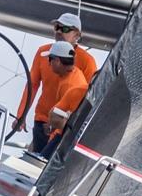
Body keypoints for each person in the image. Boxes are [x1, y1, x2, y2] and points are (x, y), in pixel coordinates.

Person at [15, 13, 98, 153]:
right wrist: (21, 115)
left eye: (65, 29)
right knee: (33, 162)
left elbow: (88, 100)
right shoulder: (43, 52)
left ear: (77, 35)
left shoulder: (87, 62)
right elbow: (32, 85)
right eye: (57, 27)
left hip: (63, 127)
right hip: (42, 120)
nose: (59, 31)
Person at [36, 41, 89, 158]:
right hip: (65, 135)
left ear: (57, 61)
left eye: (50, 59)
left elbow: (61, 116)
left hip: (63, 137)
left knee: (41, 160)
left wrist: (51, 128)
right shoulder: (74, 74)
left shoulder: (70, 85)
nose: (48, 64)